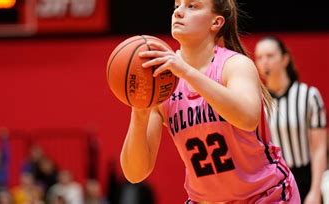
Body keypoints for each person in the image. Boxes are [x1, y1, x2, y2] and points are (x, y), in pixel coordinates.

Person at [120, 0, 301, 202]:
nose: (179, 12)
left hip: (266, 195)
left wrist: (187, 72)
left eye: (192, 6)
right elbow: (135, 174)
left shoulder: (235, 65)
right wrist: (139, 113)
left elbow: (248, 118)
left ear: (216, 22)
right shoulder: (163, 84)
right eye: (177, 5)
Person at [255, 36, 327, 203]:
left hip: (305, 179)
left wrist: (315, 191)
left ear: (285, 59)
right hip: (274, 183)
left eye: (270, 56)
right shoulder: (257, 102)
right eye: (260, 57)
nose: (265, 62)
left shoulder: (309, 96)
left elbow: (319, 148)